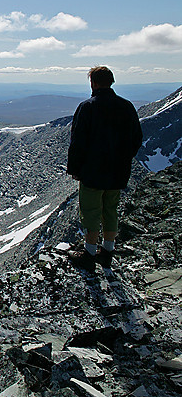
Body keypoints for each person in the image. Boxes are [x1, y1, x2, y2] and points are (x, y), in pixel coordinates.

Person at [66, 66, 143, 271]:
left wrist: (75, 168)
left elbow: (78, 141)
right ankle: (107, 252)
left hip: (93, 171)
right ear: (111, 82)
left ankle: (90, 253)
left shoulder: (88, 107)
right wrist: (124, 158)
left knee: (91, 211)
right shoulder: (127, 106)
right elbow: (137, 138)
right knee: (111, 209)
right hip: (118, 170)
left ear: (93, 83)